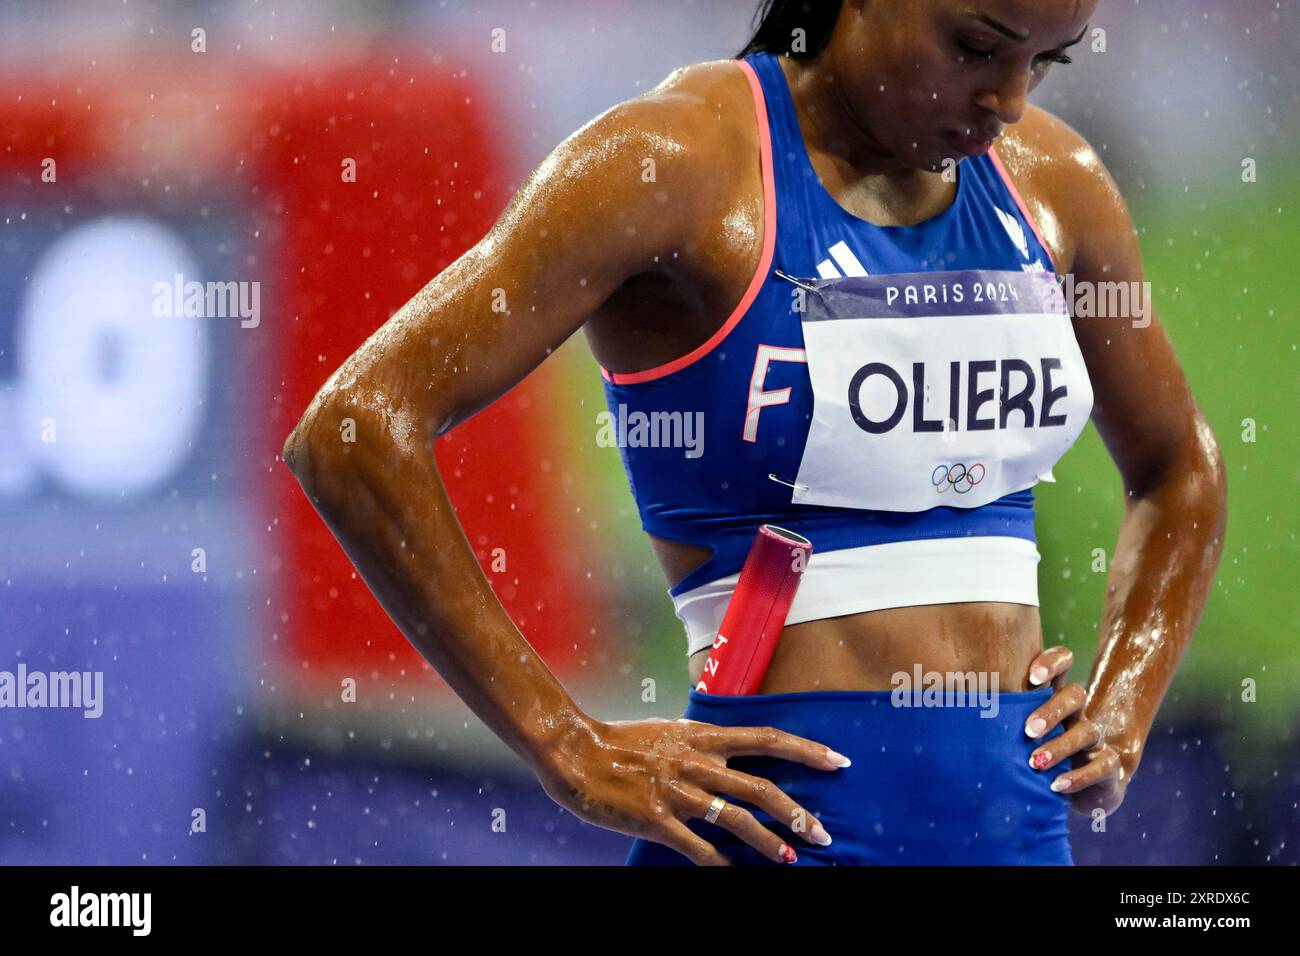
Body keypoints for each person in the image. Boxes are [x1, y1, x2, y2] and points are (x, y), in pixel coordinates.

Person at [281, 0, 1227, 865]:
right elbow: (356, 428)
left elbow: (1181, 464)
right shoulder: (676, 165)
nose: (1008, 100)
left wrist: (1125, 701)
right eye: (976, 46)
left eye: (1046, 61)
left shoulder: (1055, 187)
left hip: (1015, 836)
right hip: (767, 840)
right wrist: (563, 742)